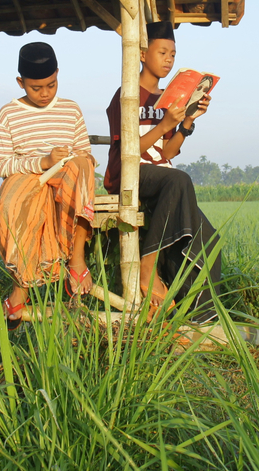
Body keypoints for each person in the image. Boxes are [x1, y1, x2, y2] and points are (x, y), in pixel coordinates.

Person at [104, 21, 221, 322]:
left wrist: (186, 123)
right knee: (178, 179)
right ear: (143, 54)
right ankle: (148, 265)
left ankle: (196, 318)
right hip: (133, 174)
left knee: (209, 240)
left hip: (163, 176)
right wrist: (164, 124)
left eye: (173, 54)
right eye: (162, 52)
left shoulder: (170, 100)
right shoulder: (127, 96)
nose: (169, 59)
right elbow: (130, 153)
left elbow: (168, 153)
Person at [0, 42, 96, 329]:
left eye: (51, 85)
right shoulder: (8, 114)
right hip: (29, 177)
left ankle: (77, 261)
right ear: (20, 82)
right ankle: (21, 286)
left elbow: (85, 153)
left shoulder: (71, 110)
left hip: (66, 177)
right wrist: (42, 161)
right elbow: (2, 164)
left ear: (58, 75)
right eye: (35, 87)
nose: (44, 93)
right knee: (14, 201)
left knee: (83, 166)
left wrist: (67, 161)